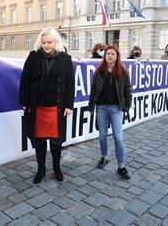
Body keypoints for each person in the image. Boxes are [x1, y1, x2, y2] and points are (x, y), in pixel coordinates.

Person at [19, 27, 75, 184]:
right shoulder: (33, 57)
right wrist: (24, 102)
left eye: (49, 42)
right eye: (43, 42)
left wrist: (69, 105)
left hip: (56, 108)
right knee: (39, 142)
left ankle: (56, 167)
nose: (46, 45)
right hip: (37, 108)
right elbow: (25, 80)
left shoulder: (65, 58)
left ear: (55, 41)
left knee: (56, 143)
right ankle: (41, 169)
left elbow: (70, 83)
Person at [88, 45, 132, 180]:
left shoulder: (123, 71)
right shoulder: (98, 71)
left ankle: (121, 166)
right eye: (108, 54)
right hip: (101, 108)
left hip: (115, 109)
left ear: (117, 56)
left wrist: (126, 107)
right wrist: (91, 107)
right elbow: (93, 90)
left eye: (113, 54)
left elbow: (127, 90)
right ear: (104, 56)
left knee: (118, 138)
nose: (110, 56)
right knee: (102, 136)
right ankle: (104, 157)